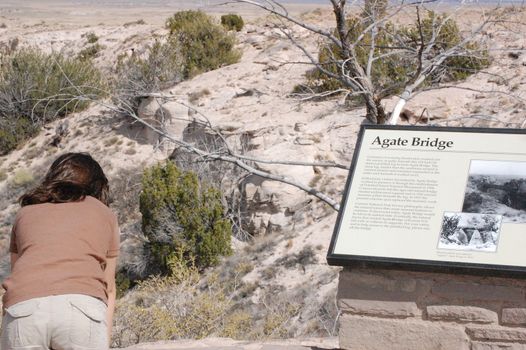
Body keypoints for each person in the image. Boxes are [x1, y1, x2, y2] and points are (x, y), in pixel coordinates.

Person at [0, 152, 120, 350]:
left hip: (24, 311)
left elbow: (18, 276)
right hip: (82, 310)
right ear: (98, 185)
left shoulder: (24, 214)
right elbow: (109, 289)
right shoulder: (104, 213)